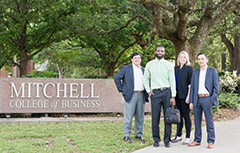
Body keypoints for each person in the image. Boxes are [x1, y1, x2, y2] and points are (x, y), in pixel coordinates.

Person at [143, 45, 176, 148]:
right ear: (155, 52)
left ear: (164, 53)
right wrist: (148, 91)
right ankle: (156, 139)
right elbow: (145, 79)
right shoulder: (149, 64)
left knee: (168, 117)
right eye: (158, 51)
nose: (160, 52)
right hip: (155, 93)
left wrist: (173, 96)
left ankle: (167, 140)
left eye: (162, 51)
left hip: (167, 92)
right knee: (155, 118)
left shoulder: (169, 65)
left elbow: (172, 81)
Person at [114, 52, 148, 143]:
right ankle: (126, 135)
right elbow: (117, 78)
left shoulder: (144, 70)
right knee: (128, 116)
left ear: (141, 59)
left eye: (139, 58)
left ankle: (139, 134)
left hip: (141, 94)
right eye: (135, 58)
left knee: (140, 116)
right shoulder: (126, 68)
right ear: (132, 59)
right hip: (130, 95)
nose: (137, 59)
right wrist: (122, 90)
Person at [188, 53, 220, 149]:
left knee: (209, 121)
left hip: (207, 98)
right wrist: (191, 101)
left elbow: (216, 87)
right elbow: (193, 87)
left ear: (207, 60)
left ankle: (211, 141)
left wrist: (211, 99)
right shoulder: (195, 72)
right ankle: (197, 140)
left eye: (202, 59)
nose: (200, 61)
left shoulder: (212, 71)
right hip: (197, 98)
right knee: (197, 121)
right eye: (199, 59)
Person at [171, 51, 194, 145]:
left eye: (184, 57)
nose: (182, 59)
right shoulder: (175, 68)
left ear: (187, 59)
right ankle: (179, 135)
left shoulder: (189, 69)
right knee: (178, 117)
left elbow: (191, 84)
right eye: (181, 57)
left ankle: (188, 136)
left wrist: (189, 96)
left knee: (186, 117)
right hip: (176, 96)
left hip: (185, 96)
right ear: (178, 59)